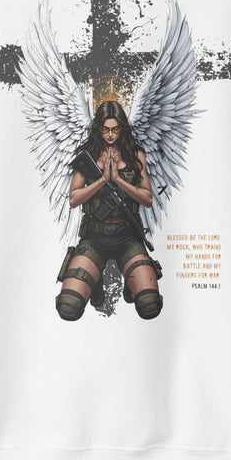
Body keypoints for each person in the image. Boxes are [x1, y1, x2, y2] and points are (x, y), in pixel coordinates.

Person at [56, 100, 162, 321]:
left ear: (122, 128)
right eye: (105, 129)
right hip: (94, 237)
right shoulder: (88, 154)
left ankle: (129, 285)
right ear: (98, 128)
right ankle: (96, 283)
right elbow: (73, 199)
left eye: (115, 129)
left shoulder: (135, 155)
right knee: (68, 306)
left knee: (149, 305)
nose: (111, 134)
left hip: (128, 237)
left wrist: (119, 181)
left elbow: (147, 198)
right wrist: (102, 181)